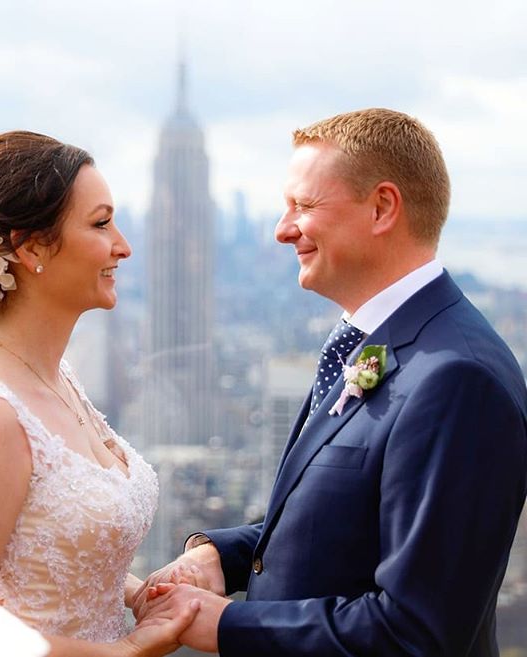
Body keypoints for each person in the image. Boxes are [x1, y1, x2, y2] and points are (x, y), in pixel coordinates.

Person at [133, 108, 527, 656]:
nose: (281, 229)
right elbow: (331, 524)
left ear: (382, 208)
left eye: (304, 205)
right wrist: (218, 555)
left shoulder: (456, 378)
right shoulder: (378, 343)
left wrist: (227, 627)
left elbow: (417, 633)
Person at [0, 130, 201, 657]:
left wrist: (141, 594)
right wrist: (126, 651)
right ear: (30, 247)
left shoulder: (56, 376)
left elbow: (49, 556)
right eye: (101, 223)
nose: (124, 245)